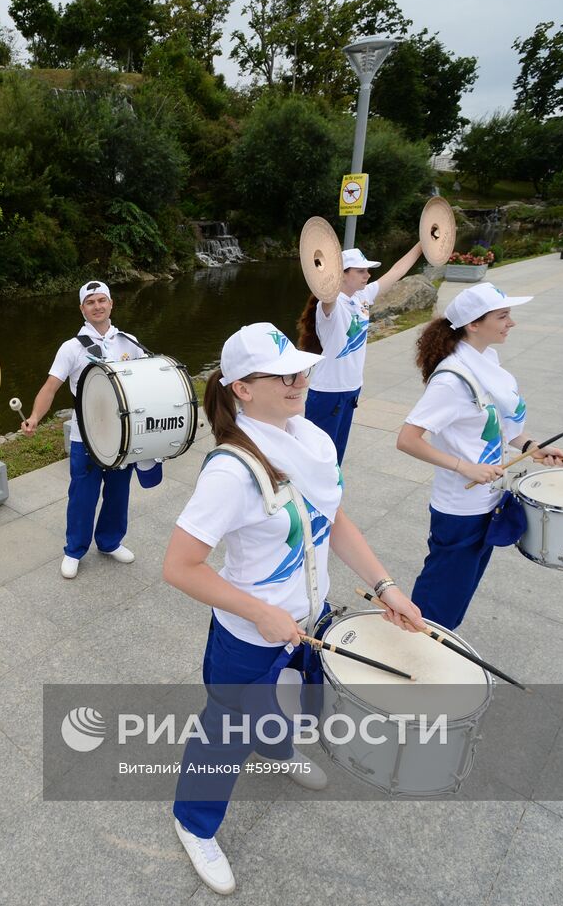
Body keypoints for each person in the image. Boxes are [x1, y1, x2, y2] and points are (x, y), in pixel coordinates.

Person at [164, 322, 424, 895]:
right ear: (241, 388)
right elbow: (179, 566)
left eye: (302, 368)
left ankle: (277, 749)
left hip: (306, 617)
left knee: (295, 702)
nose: (299, 380)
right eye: (281, 374)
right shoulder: (232, 472)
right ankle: (194, 823)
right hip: (250, 634)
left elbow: (337, 521)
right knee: (224, 732)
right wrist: (258, 613)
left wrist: (386, 588)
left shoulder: (311, 440)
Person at [395, 284, 563, 630]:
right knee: (438, 601)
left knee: (457, 595)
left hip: (487, 500)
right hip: (459, 509)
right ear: (473, 325)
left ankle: (434, 649)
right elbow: (407, 439)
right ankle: (413, 655)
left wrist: (532, 447)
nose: (512, 323)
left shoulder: (484, 361)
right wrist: (466, 467)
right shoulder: (451, 380)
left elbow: (500, 427)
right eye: (503, 316)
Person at [22, 280, 148, 579]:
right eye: (90, 302)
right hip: (86, 435)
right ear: (82, 309)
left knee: (118, 493)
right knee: (83, 495)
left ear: (111, 304)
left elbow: (147, 381)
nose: (97, 306)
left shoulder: (129, 342)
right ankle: (74, 550)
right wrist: (35, 416)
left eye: (102, 300)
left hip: (122, 436)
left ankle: (109, 542)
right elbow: (50, 386)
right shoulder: (71, 348)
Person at [297, 243, 423, 462]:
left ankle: (331, 494)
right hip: (328, 393)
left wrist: (423, 244)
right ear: (342, 275)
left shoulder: (363, 295)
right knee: (318, 458)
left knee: (336, 456)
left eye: (367, 270)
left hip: (351, 390)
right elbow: (326, 293)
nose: (368, 275)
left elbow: (397, 271)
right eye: (360, 270)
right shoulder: (329, 306)